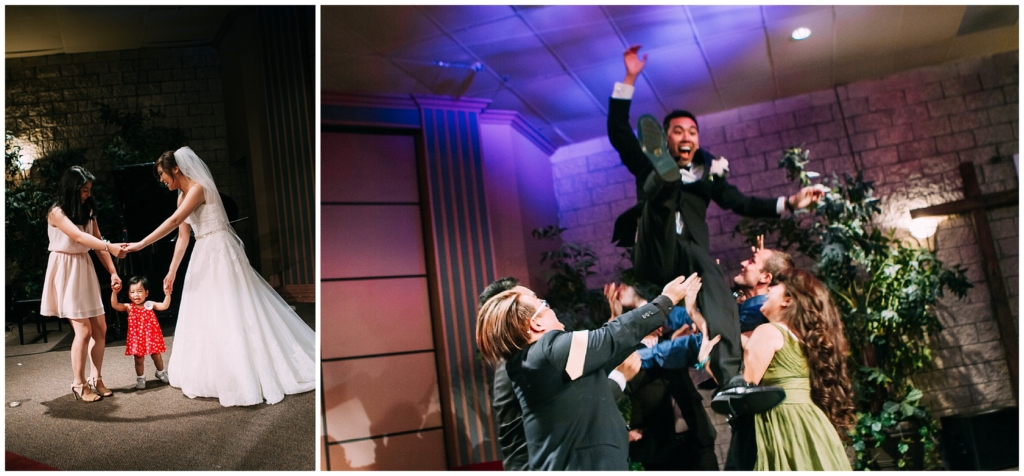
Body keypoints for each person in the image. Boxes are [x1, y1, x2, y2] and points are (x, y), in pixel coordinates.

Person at [607, 44, 825, 397]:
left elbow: (743, 203)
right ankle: (665, 176)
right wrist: (629, 77)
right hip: (652, 248)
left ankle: (732, 380)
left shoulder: (709, 174)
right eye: (677, 131)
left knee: (716, 285)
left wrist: (791, 203)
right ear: (665, 139)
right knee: (658, 199)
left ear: (697, 140)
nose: (687, 136)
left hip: (687, 256)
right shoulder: (646, 159)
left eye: (692, 131)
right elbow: (618, 131)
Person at [123, 147, 315, 407]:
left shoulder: (199, 188)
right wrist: (172, 270)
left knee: (232, 309)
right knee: (206, 311)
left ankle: (245, 371)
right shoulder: (181, 195)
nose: (161, 180)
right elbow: (182, 236)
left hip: (220, 251)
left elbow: (174, 220)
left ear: (175, 169)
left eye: (161, 174)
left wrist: (140, 244)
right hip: (202, 250)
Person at [476, 273, 696, 470]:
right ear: (534, 324)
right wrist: (665, 301)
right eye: (540, 302)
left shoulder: (535, 360)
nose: (548, 305)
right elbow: (609, 338)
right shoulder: (544, 352)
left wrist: (647, 333)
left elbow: (607, 350)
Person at [697, 268, 855, 470]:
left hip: (784, 423)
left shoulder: (768, 331)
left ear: (787, 300)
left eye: (775, 286)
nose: (768, 289)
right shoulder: (801, 338)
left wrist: (705, 361)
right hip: (811, 424)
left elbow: (740, 391)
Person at [40, 166, 127, 402]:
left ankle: (95, 378)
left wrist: (112, 272)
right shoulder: (57, 212)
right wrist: (110, 247)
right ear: (72, 188)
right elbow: (79, 237)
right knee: (84, 330)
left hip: (84, 266)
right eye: (84, 190)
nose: (88, 194)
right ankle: (78, 384)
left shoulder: (88, 209)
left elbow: (96, 241)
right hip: (66, 269)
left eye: (89, 189)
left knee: (100, 330)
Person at [110, 276, 170, 390]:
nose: (136, 295)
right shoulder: (129, 307)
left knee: (156, 355)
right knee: (138, 359)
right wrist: (114, 292)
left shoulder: (150, 304)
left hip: (151, 336)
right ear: (128, 294)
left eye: (139, 291)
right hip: (137, 339)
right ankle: (141, 377)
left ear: (146, 293)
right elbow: (115, 305)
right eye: (132, 292)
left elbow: (164, 306)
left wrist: (167, 294)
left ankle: (161, 372)